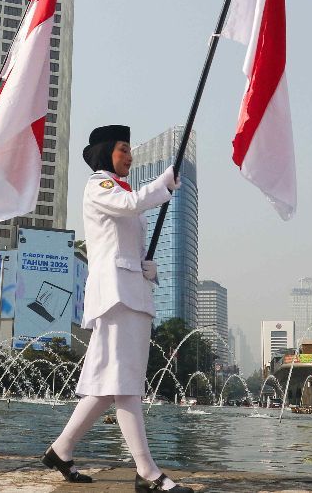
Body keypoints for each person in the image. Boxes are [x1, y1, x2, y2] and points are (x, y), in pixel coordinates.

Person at [42, 125, 191, 493]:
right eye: (123, 149)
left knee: (108, 384)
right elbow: (130, 205)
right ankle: (148, 472)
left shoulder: (122, 189)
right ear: (106, 152)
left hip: (131, 291)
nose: (129, 156)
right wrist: (162, 184)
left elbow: (123, 240)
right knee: (124, 385)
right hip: (115, 294)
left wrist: (146, 265)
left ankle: (61, 450)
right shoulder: (100, 185)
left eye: (129, 150)